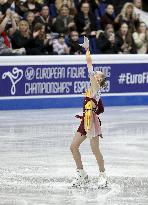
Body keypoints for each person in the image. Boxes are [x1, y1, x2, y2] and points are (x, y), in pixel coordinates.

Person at [70, 36, 107, 188]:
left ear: (99, 79)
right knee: (73, 147)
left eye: (98, 74)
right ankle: (81, 175)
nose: (95, 74)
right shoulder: (92, 88)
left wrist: (87, 50)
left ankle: (103, 175)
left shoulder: (96, 88)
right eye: (96, 73)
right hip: (84, 121)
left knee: (95, 150)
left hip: (92, 123)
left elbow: (89, 67)